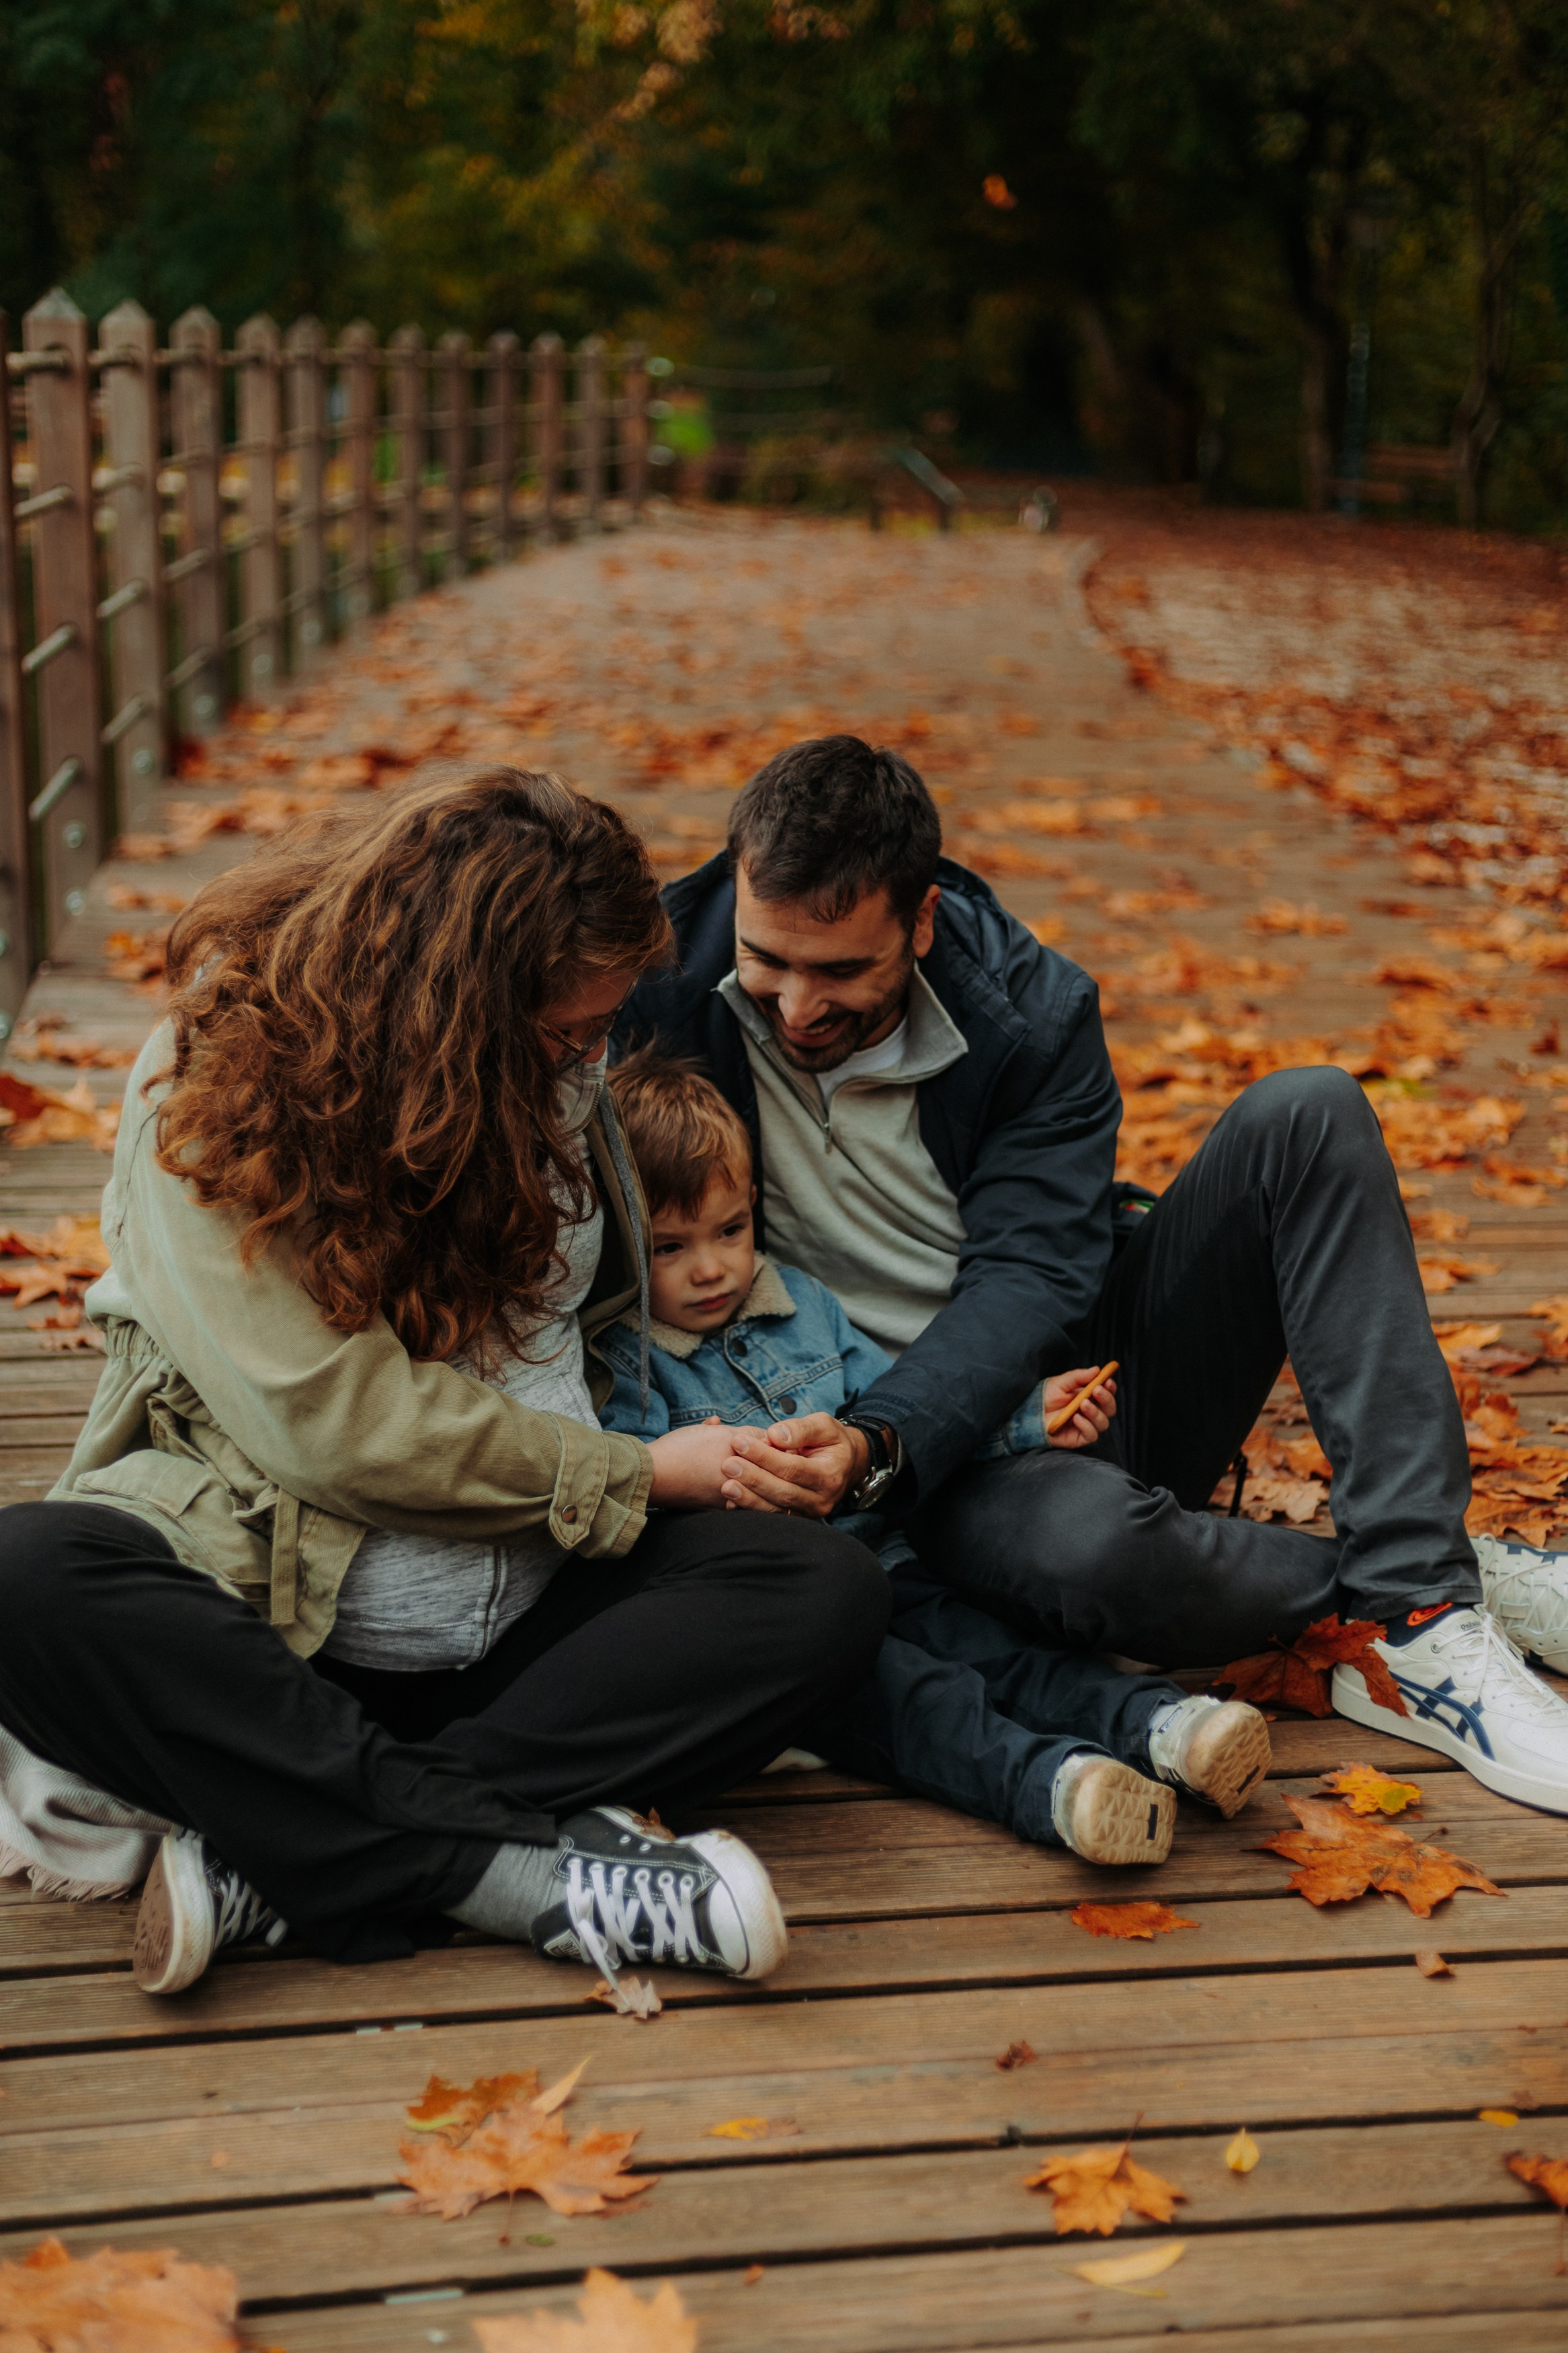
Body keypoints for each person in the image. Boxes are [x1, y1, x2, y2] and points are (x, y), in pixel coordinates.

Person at [0, 768, 889, 1995]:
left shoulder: (559, 1065)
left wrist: (720, 1457)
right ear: (450, 1008)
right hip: (288, 1620)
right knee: (30, 1576)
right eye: (564, 1035)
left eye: (603, 1029)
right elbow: (333, 1425)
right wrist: (629, 1472)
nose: (589, 1059)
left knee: (824, 1595)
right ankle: (507, 1867)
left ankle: (286, 1845)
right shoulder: (208, 1088)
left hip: (530, 1627)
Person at [614, 733, 1568, 1815]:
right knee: (1089, 1556)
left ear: (921, 921)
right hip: (786, 1428)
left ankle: (1422, 1623)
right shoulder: (653, 985)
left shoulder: (1034, 1012)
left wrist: (880, 1441)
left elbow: (1030, 1279)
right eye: (767, 960)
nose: (793, 1007)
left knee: (1309, 1113)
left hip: (1033, 1412)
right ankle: (1428, 1579)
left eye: (840, 972)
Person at [595, 1048, 1274, 1865]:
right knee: (919, 1704)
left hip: (889, 1558)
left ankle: (1162, 1725)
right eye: (670, 1247)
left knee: (998, 1650)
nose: (712, 1267)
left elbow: (902, 1423)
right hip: (789, 1628)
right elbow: (632, 1495)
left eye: (730, 1229)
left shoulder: (801, 1307)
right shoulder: (627, 1366)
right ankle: (1060, 1787)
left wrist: (1026, 1418)